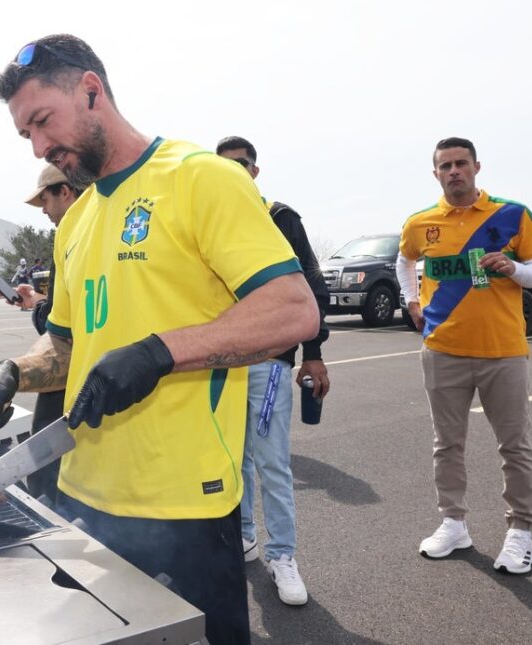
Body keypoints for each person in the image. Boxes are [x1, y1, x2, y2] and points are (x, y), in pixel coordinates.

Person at [0, 34, 319, 644]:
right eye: (26, 134)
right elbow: (67, 346)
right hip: (83, 495)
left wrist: (160, 353)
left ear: (91, 91)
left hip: (183, 505)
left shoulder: (199, 177)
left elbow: (292, 311)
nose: (39, 147)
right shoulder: (75, 220)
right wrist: (15, 372)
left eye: (42, 122)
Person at [397, 137, 532, 574]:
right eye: (445, 166)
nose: (454, 172)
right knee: (447, 444)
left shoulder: (513, 214)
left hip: (503, 351)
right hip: (442, 349)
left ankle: (521, 531)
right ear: (436, 174)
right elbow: (403, 262)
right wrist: (411, 300)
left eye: (461, 163)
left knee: (514, 446)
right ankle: (453, 523)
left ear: (476, 167)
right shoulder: (420, 222)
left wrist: (514, 268)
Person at [217, 136, 330, 606]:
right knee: (233, 461)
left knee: (272, 464)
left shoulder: (279, 218)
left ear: (255, 171)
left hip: (268, 363)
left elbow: (312, 286)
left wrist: (313, 352)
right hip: (222, 366)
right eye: (224, 166)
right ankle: (244, 535)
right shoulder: (210, 220)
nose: (234, 173)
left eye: (241, 165)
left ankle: (282, 554)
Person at [15, 163, 82, 504]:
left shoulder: (72, 235)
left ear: (65, 192)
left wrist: (39, 307)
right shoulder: (88, 232)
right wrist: (42, 304)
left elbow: (60, 326)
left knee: (47, 472)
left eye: (45, 200)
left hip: (71, 371)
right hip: (83, 369)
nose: (43, 210)